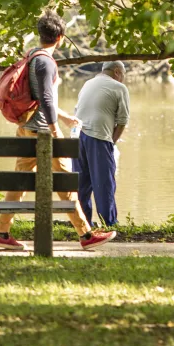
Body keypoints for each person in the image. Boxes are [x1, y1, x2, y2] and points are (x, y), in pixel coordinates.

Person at [0, 10, 116, 251]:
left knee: (20, 182)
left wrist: (64, 116)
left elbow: (37, 99)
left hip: (26, 128)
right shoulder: (46, 62)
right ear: (60, 37)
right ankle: (86, 235)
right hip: (43, 133)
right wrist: (55, 130)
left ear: (41, 35)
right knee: (66, 183)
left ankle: (2, 232)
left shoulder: (31, 56)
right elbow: (46, 99)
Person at [74, 60, 130, 238]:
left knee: (82, 185)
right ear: (116, 72)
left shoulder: (87, 83)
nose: (123, 79)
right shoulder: (119, 88)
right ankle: (109, 224)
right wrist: (110, 143)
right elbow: (122, 121)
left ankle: (84, 225)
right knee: (104, 184)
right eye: (123, 75)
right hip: (98, 137)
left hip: (77, 137)